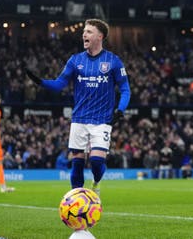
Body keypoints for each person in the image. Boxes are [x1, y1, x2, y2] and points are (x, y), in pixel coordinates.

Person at [25, 18, 131, 192]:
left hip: (102, 120)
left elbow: (126, 89)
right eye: (84, 31)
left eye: (89, 31)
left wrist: (120, 110)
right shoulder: (75, 60)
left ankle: (96, 182)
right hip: (79, 118)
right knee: (77, 163)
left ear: (100, 36)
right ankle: (77, 199)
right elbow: (60, 84)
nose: (84, 34)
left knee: (96, 161)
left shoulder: (113, 61)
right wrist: (40, 82)